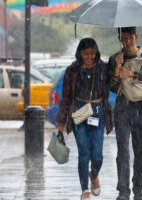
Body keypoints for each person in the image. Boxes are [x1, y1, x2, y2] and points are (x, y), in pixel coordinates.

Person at [56, 38, 111, 200]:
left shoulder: (103, 68)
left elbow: (114, 81)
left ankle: (94, 176)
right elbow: (65, 97)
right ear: (80, 53)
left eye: (92, 53)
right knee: (84, 153)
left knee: (98, 155)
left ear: (97, 53)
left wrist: (118, 69)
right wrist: (61, 122)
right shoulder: (72, 70)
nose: (89, 57)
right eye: (86, 54)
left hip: (98, 111)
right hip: (79, 111)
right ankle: (84, 189)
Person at [108, 27, 142, 200]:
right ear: (119, 38)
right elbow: (112, 87)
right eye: (123, 38)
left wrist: (131, 73)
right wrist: (117, 70)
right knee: (122, 151)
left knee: (140, 150)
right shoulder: (115, 58)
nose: (127, 41)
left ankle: (138, 189)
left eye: (130, 38)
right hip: (123, 108)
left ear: (136, 37)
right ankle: (123, 190)